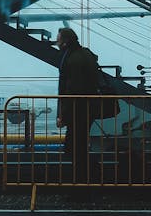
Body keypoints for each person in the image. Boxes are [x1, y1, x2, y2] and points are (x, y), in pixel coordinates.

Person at [55, 27, 100, 189]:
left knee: (74, 148)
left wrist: (63, 116)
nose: (57, 41)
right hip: (87, 108)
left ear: (65, 42)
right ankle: (86, 180)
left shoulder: (72, 60)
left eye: (58, 39)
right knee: (79, 146)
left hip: (78, 110)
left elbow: (72, 90)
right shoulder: (85, 54)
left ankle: (82, 184)